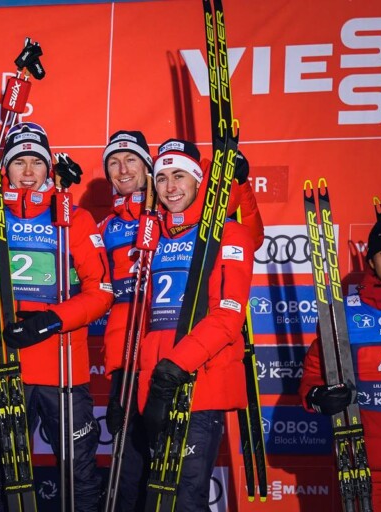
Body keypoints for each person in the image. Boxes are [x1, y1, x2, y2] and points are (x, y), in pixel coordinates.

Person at [0, 122, 114, 511]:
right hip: (6, 365)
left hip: (62, 367)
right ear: (4, 169)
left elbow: (101, 292)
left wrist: (51, 320)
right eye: (18, 161)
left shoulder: (75, 218)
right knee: (9, 475)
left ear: (49, 168)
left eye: (37, 162)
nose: (28, 171)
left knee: (79, 475)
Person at [138, 139, 255, 511]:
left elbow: (229, 315)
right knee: (157, 499)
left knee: (185, 499)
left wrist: (175, 366)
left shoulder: (229, 234)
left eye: (179, 176)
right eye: (162, 178)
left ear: (198, 180)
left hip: (198, 382)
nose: (170, 187)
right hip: (156, 386)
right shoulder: (155, 237)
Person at [299, 210, 381, 512]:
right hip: (364, 463)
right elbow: (314, 374)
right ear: (371, 261)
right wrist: (317, 396)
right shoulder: (344, 314)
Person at [98, 130, 154, 511]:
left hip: (167, 353)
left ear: (148, 166)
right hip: (125, 360)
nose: (122, 169)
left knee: (170, 464)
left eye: (131, 159)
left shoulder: (172, 213)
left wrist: (240, 186)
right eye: (114, 163)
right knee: (127, 463)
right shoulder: (105, 226)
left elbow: (248, 235)